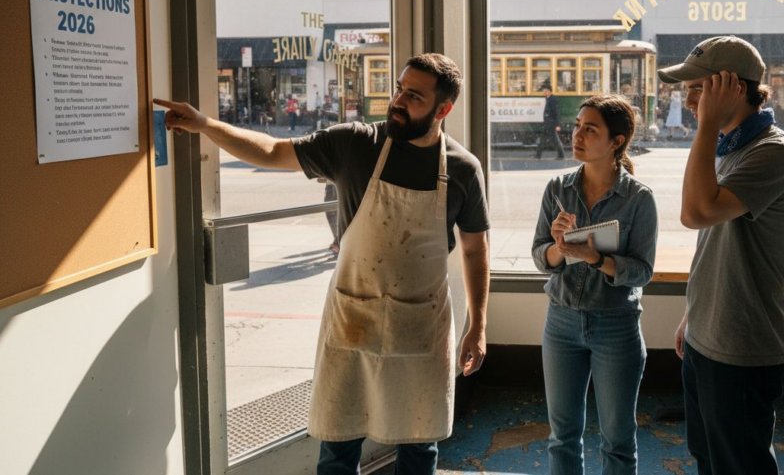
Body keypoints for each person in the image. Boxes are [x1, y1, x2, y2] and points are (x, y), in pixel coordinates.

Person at [155, 53, 490, 475]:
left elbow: (475, 249)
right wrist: (206, 125)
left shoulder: (462, 170)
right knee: (338, 447)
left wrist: (478, 325)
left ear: (443, 109)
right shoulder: (355, 143)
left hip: (421, 327)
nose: (398, 101)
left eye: (414, 96)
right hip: (353, 321)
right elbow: (273, 151)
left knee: (419, 446)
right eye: (399, 89)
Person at [658, 35, 784, 475]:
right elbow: (717, 243)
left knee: (740, 466)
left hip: (742, 346)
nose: (689, 102)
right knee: (708, 458)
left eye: (697, 89)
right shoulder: (730, 146)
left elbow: (696, 213)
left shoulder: (773, 153)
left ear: (733, 89)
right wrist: (694, 314)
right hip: (709, 333)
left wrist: (707, 125)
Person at [532, 94, 658, 475]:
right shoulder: (557, 189)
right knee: (562, 437)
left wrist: (596, 259)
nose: (577, 135)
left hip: (616, 325)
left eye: (590, 129)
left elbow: (642, 271)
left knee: (617, 442)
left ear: (616, 142)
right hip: (562, 321)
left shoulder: (639, 199)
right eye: (577, 126)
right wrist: (558, 249)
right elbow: (540, 256)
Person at [536, 83, 566, 160]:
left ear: (549, 91)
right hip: (547, 123)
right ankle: (538, 155)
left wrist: (557, 125)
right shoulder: (547, 99)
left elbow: (556, 113)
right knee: (542, 139)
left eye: (545, 90)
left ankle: (561, 155)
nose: (544, 92)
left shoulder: (553, 99)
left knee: (555, 140)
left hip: (551, 124)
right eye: (543, 91)